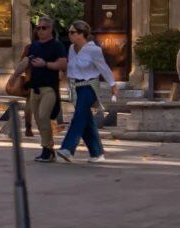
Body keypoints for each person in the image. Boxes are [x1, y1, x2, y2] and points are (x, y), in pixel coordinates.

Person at [59, 20, 117, 162]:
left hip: (89, 86)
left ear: (82, 34)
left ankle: (67, 148)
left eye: (72, 32)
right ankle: (97, 153)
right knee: (86, 119)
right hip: (75, 87)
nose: (69, 35)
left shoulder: (94, 50)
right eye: (69, 32)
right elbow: (71, 68)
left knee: (79, 115)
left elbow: (103, 67)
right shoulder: (72, 48)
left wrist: (113, 84)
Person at [25, 16, 68, 159]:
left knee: (44, 117)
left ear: (50, 29)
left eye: (44, 28)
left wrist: (46, 64)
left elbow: (63, 64)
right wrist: (14, 76)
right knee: (39, 120)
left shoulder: (57, 46)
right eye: (38, 28)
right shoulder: (34, 46)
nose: (40, 31)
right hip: (35, 89)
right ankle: (48, 149)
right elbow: (26, 61)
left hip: (49, 88)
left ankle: (47, 149)